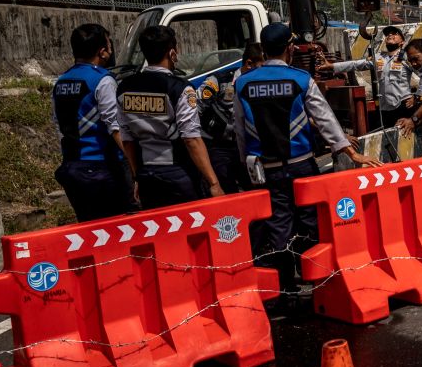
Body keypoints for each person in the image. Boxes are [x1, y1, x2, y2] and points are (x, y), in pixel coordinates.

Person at [234, 23, 380, 299]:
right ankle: (318, 283)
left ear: (263, 50)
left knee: (278, 226)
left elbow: (240, 130)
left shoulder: (243, 83)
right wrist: (349, 152)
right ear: (289, 48)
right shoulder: (300, 79)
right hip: (302, 166)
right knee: (311, 223)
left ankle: (286, 286)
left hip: (266, 169)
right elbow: (324, 118)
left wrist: (245, 163)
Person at [117, 25, 224, 208]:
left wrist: (137, 178)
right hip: (177, 173)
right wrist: (214, 183)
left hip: (146, 174)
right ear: (172, 53)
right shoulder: (179, 88)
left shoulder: (124, 87)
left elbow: (127, 139)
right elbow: (191, 139)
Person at [52, 23, 134, 221]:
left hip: (72, 168)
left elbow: (58, 124)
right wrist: (134, 165)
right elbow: (116, 129)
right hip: (102, 170)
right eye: (109, 45)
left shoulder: (61, 81)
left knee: (89, 227)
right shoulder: (103, 80)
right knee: (118, 227)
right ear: (102, 52)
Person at [197, 42, 265, 194]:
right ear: (249, 64)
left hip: (250, 147)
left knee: (256, 190)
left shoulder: (262, 84)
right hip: (221, 147)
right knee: (227, 192)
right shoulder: (220, 81)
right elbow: (195, 109)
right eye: (261, 66)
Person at [324, 25, 416, 129]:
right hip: (384, 109)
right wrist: (331, 66)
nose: (390, 35)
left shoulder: (407, 57)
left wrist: (416, 96)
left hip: (402, 107)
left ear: (402, 42)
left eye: (395, 33)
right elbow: (356, 64)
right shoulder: (379, 57)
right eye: (388, 34)